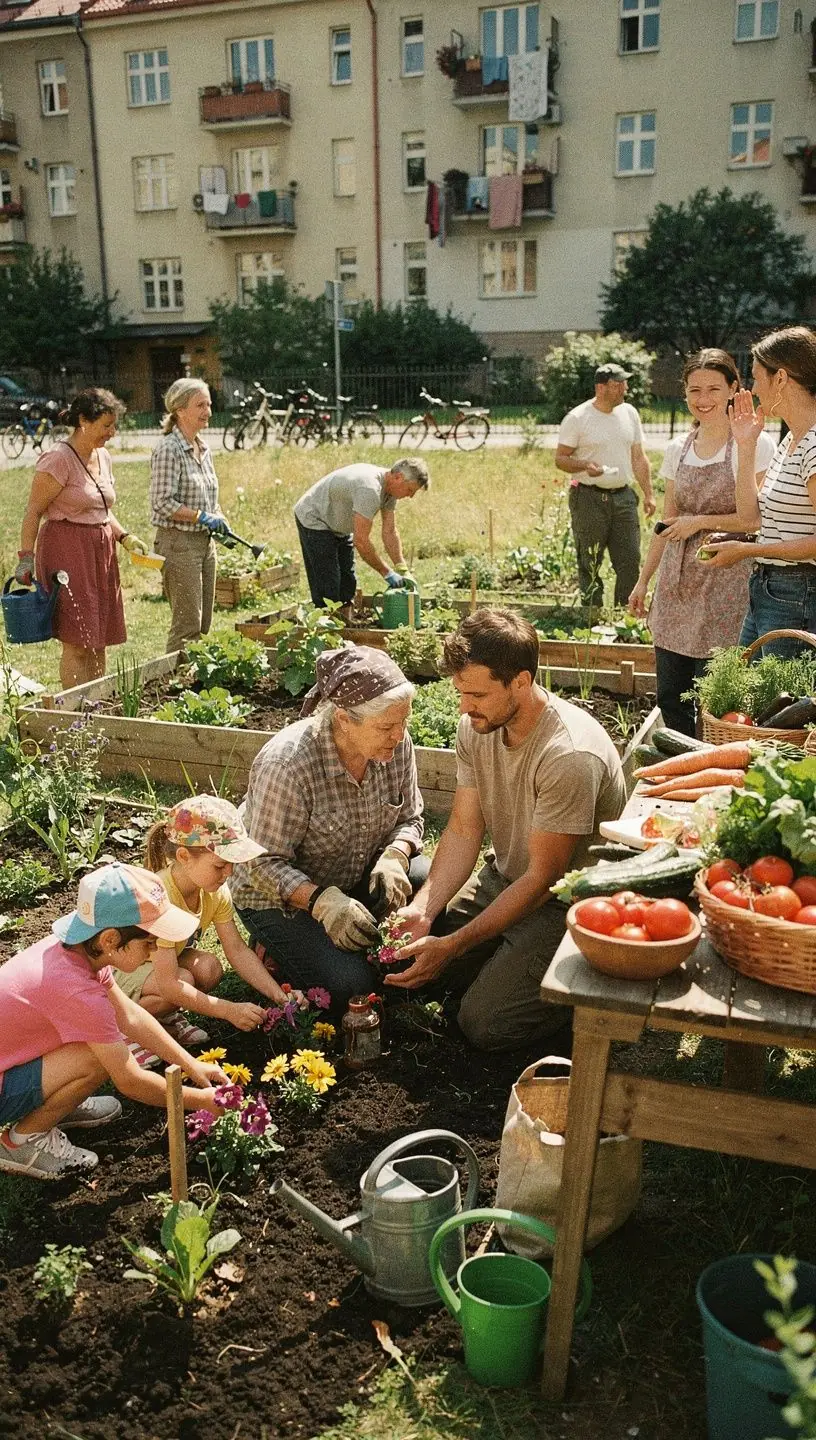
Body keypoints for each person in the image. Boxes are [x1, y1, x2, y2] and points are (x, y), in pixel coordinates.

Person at [385, 608, 626, 1052]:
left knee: (484, 1025)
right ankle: (510, 964)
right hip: (506, 879)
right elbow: (460, 829)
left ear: (521, 680)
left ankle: (591, 992)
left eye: (476, 694)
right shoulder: (476, 727)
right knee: (423, 966)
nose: (464, 706)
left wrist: (456, 944)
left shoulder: (568, 756)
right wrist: (424, 908)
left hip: (568, 903)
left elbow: (543, 881)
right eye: (460, 692)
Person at [0, 862, 229, 1182]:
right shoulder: (75, 988)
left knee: (101, 1041)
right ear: (110, 940)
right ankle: (21, 1142)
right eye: (149, 943)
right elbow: (130, 1080)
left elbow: (131, 1016)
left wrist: (192, 1065)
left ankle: (54, 1105)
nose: (154, 953)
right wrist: (201, 1101)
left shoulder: (81, 953)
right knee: (98, 1056)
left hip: (10, 1064)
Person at [230, 645, 427, 1008]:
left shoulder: (396, 745)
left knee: (435, 890)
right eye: (386, 726)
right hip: (275, 897)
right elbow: (258, 863)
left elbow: (410, 817)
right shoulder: (287, 764)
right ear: (343, 720)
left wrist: (396, 856)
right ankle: (273, 945)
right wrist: (323, 902)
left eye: (404, 722)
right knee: (352, 985)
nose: (399, 736)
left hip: (355, 872)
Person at [628, 350, 775, 734]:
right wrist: (644, 581)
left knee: (716, 699)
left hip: (728, 580)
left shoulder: (754, 444)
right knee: (671, 697)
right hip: (678, 583)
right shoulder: (679, 447)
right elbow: (666, 522)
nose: (703, 398)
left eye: (713, 388)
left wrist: (698, 521)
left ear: (733, 389)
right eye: (695, 389)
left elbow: (752, 519)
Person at [114, 796, 295, 1062]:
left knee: (208, 968)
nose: (229, 873)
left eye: (232, 864)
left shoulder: (215, 892)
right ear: (184, 856)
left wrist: (279, 996)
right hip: (119, 972)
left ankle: (163, 1020)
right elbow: (169, 983)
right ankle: (127, 1031)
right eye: (220, 865)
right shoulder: (161, 897)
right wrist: (227, 1010)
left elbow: (236, 950)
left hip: (158, 962)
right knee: (182, 981)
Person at [15, 388, 147, 690]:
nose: (112, 433)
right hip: (67, 551)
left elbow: (100, 508)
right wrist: (25, 558)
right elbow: (33, 510)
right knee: (77, 639)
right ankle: (76, 711)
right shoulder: (58, 459)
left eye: (114, 425)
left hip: (100, 551)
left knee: (98, 637)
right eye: (106, 426)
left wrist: (124, 537)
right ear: (84, 422)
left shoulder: (103, 456)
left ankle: (95, 707)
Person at [704, 326, 816, 659]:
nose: (752, 389)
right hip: (770, 589)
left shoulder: (813, 445)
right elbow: (751, 517)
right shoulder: (791, 440)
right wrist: (746, 444)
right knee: (752, 701)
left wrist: (746, 551)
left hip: (798, 593)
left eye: (756, 378)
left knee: (783, 706)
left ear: (781, 378)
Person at [555, 363, 656, 609]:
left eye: (624, 383)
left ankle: (626, 612)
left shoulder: (629, 413)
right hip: (588, 497)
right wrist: (584, 465)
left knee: (630, 559)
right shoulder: (578, 418)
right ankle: (592, 613)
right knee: (590, 559)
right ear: (601, 388)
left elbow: (639, 457)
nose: (625, 388)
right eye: (617, 384)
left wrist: (649, 494)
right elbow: (561, 459)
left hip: (623, 497)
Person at [149, 378, 231, 653]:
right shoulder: (169, 449)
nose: (207, 410)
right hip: (178, 543)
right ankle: (174, 688)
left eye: (208, 404)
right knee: (187, 626)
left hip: (204, 543)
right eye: (200, 405)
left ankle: (194, 684)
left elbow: (208, 496)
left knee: (204, 623)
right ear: (180, 410)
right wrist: (200, 517)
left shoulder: (203, 447)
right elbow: (162, 502)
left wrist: (218, 516)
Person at [293, 458, 428, 610]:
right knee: (328, 585)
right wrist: (387, 573)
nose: (410, 496)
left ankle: (345, 626)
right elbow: (361, 541)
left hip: (338, 524)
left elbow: (389, 532)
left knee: (347, 583)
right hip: (315, 518)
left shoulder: (390, 491)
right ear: (398, 477)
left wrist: (401, 567)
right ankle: (325, 627)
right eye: (410, 490)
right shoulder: (370, 489)